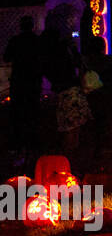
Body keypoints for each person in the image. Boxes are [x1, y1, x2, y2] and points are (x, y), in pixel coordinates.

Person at [40, 21, 89, 167]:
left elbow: (47, 72)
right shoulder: (63, 50)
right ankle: (70, 160)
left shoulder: (46, 55)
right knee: (74, 128)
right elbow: (79, 63)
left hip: (61, 91)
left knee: (68, 126)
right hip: (71, 90)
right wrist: (73, 49)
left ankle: (68, 160)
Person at [81, 35, 112, 165]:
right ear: (103, 47)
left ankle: (97, 154)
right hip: (109, 99)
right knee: (111, 126)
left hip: (94, 100)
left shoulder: (87, 63)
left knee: (97, 128)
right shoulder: (110, 62)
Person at [4, 16, 42, 159]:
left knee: (17, 114)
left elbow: (7, 57)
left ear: (21, 26)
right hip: (33, 82)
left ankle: (17, 145)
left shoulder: (15, 41)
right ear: (32, 26)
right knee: (33, 113)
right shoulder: (37, 41)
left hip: (19, 81)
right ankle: (32, 144)